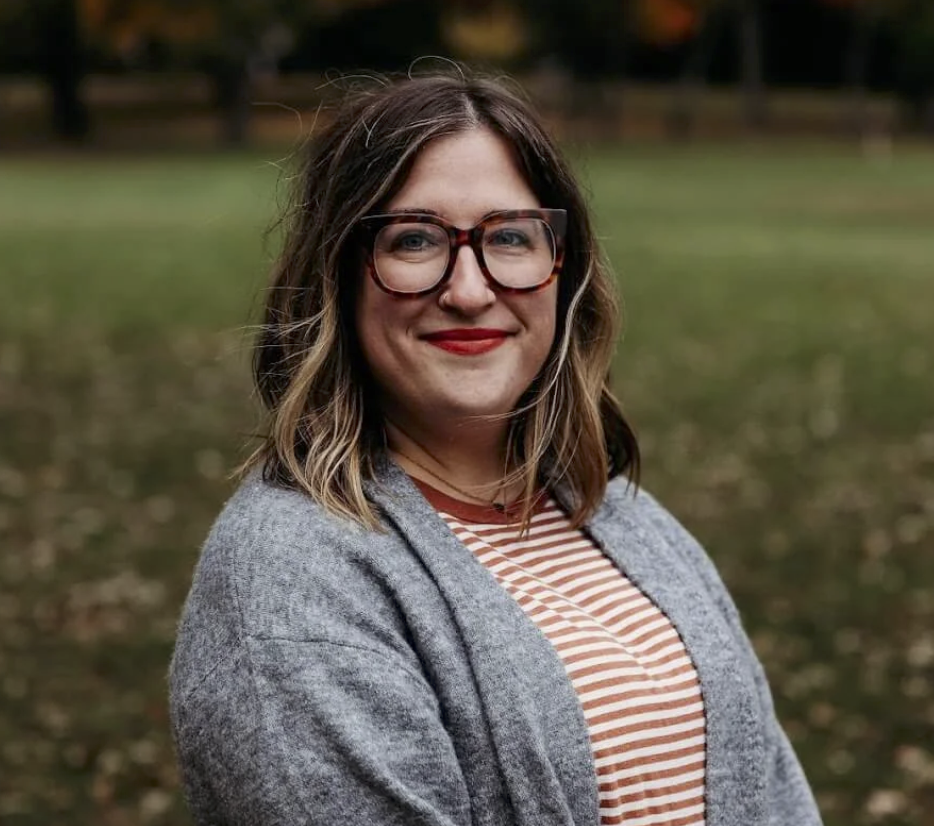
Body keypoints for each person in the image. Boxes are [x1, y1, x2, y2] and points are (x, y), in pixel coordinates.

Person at [169, 69, 823, 826]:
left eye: (509, 236)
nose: (471, 289)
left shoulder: (625, 520)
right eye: (414, 239)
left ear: (561, 269)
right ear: (337, 278)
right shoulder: (289, 574)